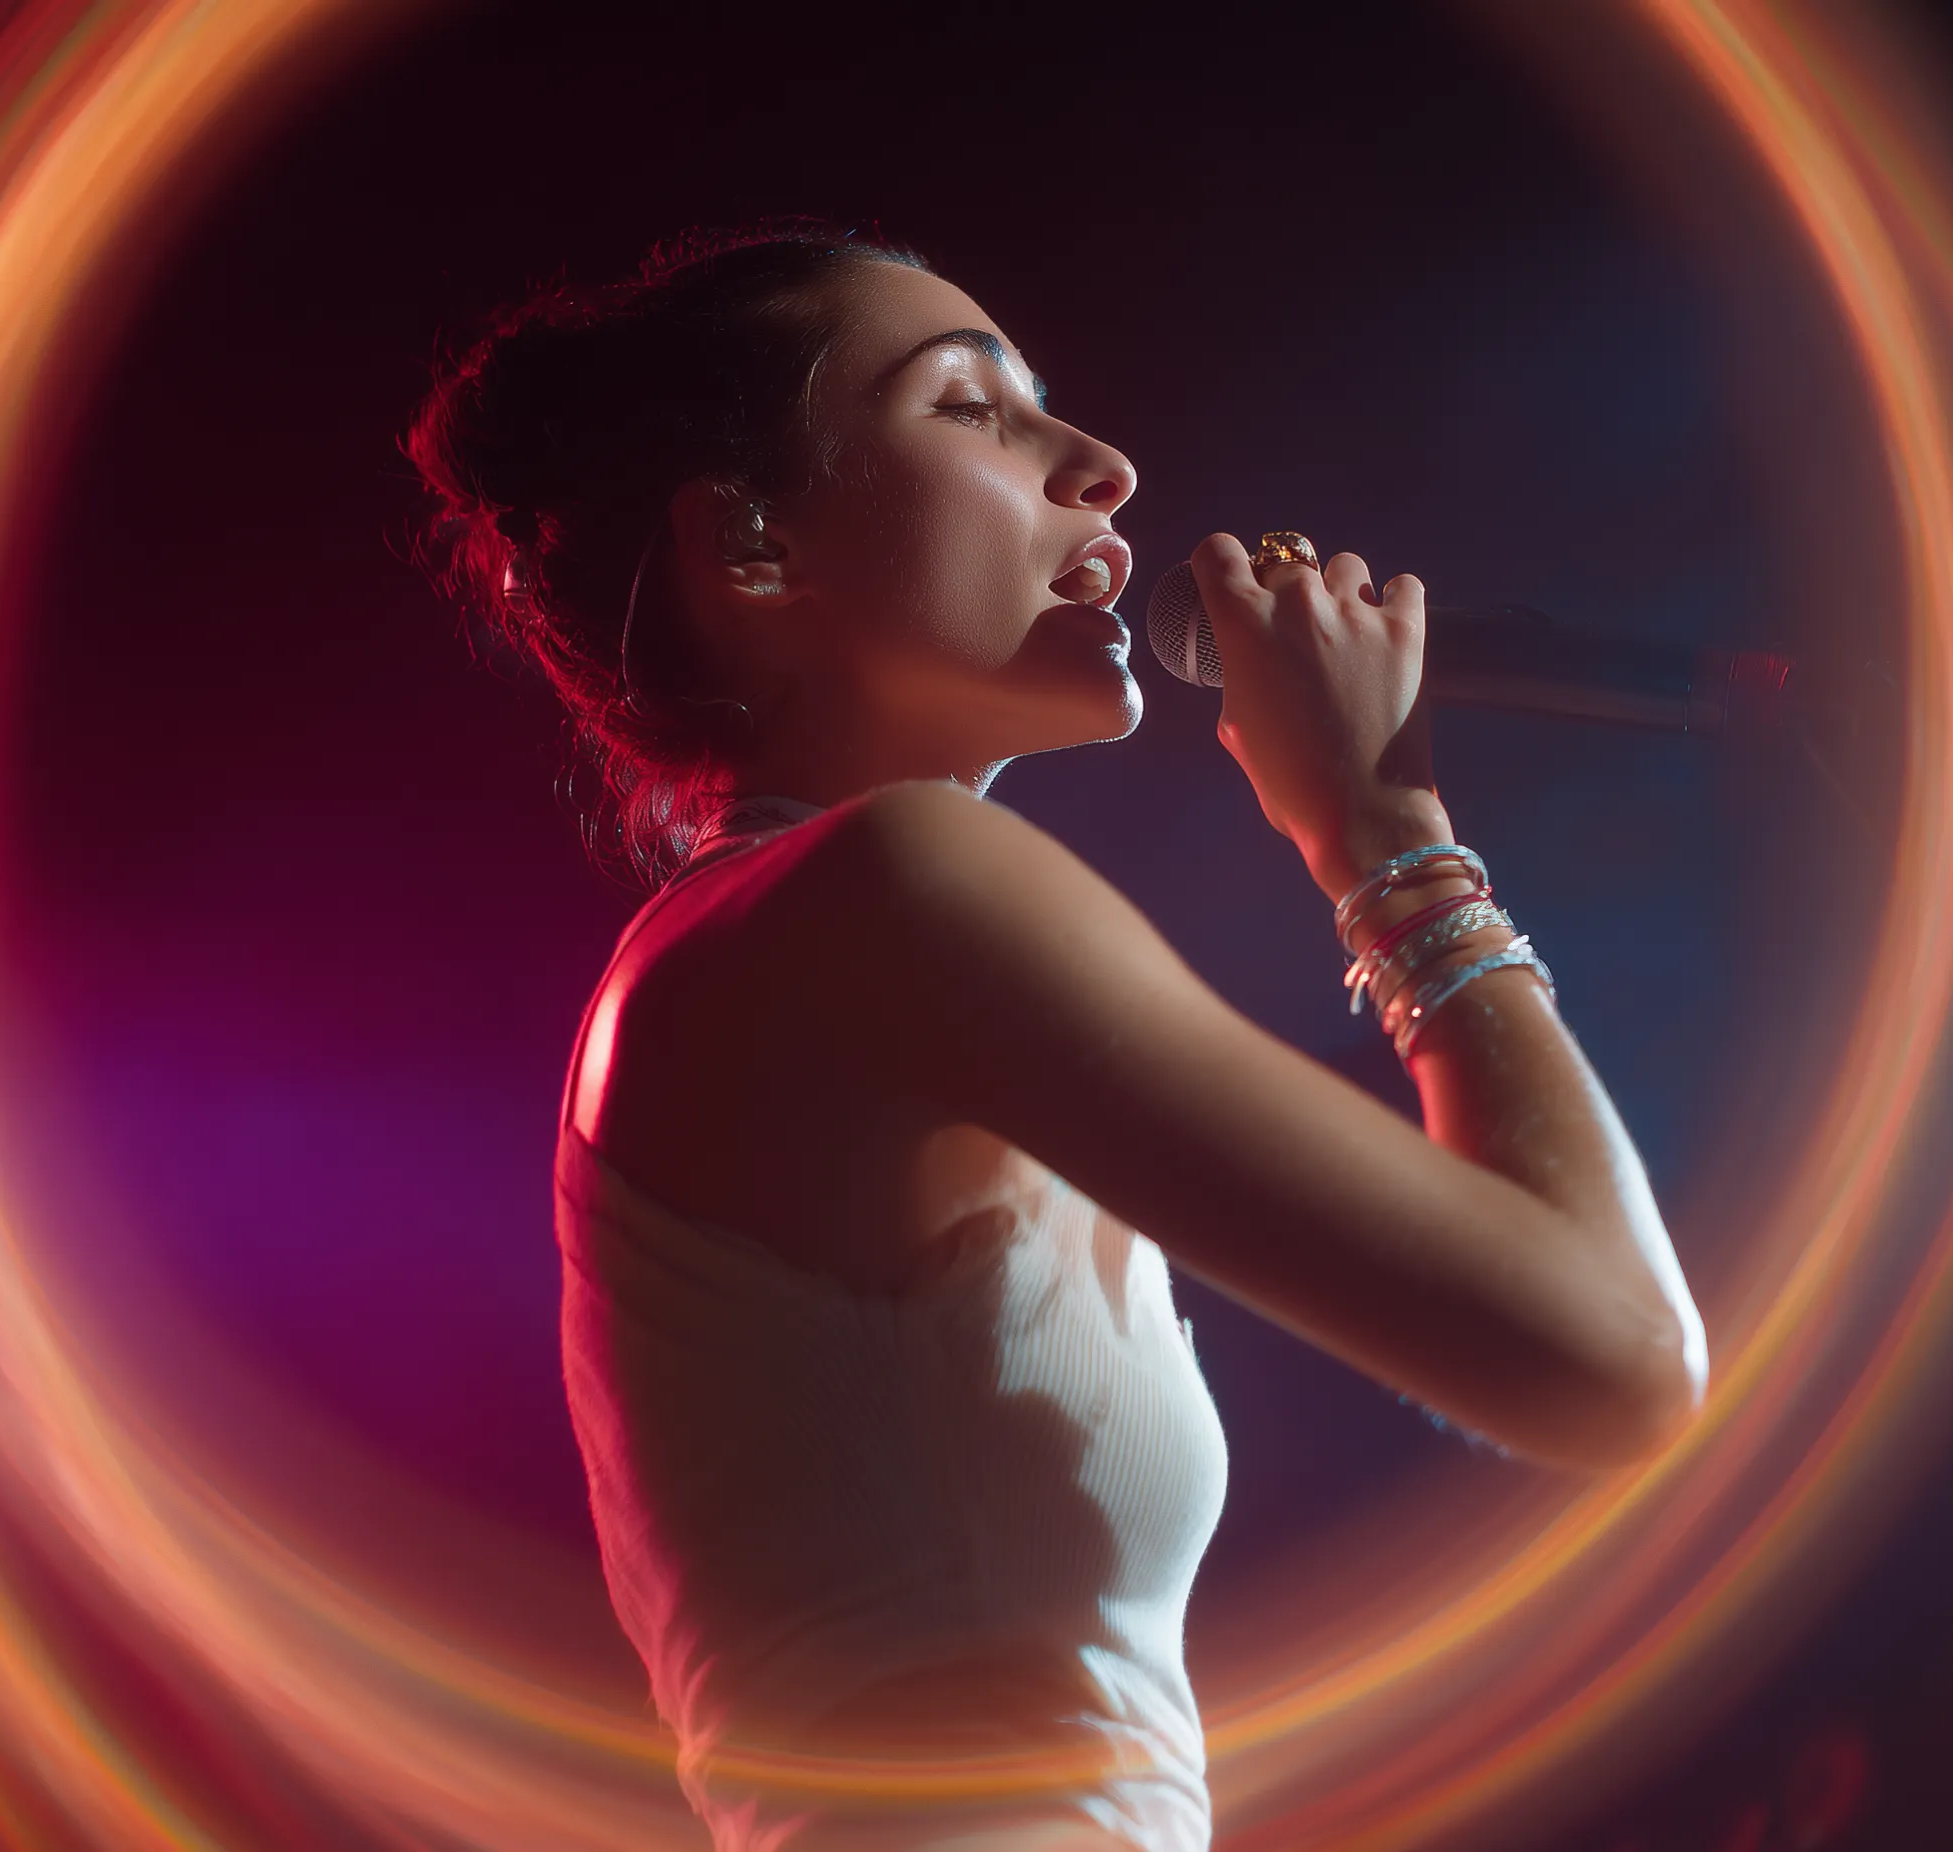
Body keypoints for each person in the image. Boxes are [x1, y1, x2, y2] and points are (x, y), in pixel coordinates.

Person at [407, 221, 1707, 1852]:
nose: (1101, 468)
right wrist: (1389, 836)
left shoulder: (793, 944)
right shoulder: (877, 890)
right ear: (750, 549)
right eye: (969, 409)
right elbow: (1610, 1361)